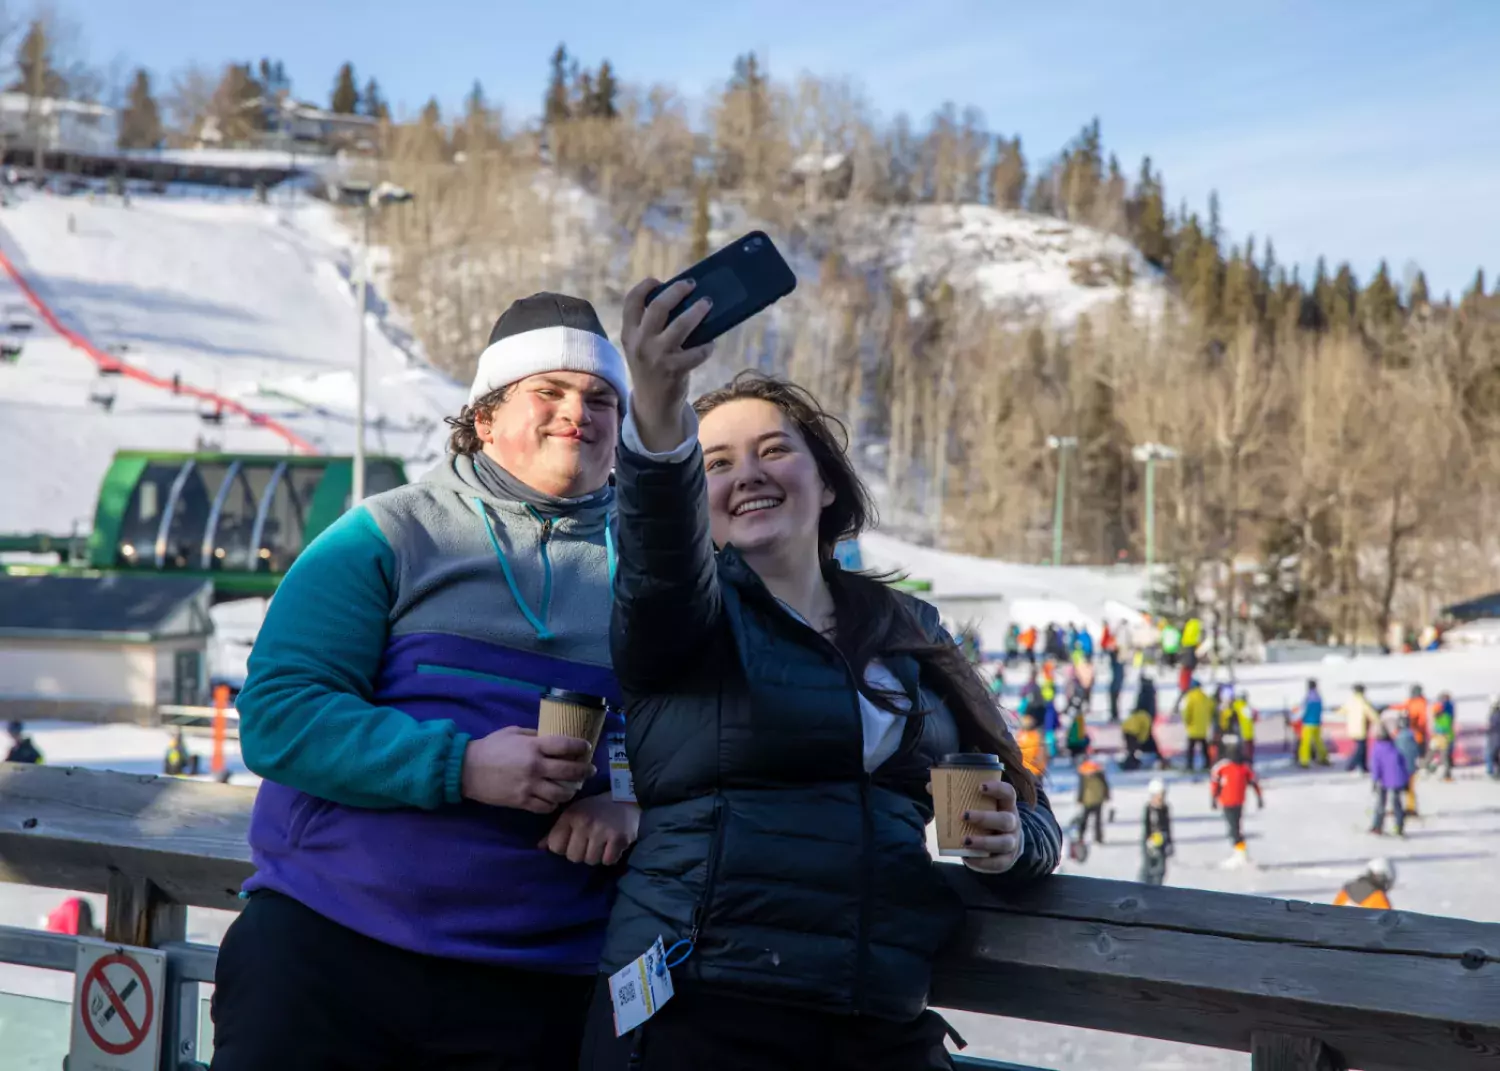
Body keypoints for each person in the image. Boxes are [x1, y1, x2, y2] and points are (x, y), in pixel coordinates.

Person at [594, 279, 1062, 1071]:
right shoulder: (687, 617)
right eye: (714, 463)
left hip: (876, 1013)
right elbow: (658, 555)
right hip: (707, 1004)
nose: (747, 472)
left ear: (829, 482)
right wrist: (659, 401)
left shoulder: (908, 627)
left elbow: (1024, 800)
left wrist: (1016, 841)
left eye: (774, 449)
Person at [213, 294, 640, 1071]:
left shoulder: (655, 576)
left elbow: (714, 738)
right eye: (549, 391)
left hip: (539, 981)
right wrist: (463, 765)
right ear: (483, 417)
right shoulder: (382, 534)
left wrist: (638, 802)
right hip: (329, 947)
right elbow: (279, 715)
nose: (578, 412)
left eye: (601, 398)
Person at [1210, 742, 1262, 849]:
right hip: (1226, 801)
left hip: (1238, 801)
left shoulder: (1244, 768)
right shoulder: (1222, 767)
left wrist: (1259, 797)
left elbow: (1253, 782)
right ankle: (1239, 849)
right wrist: (1214, 798)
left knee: (1235, 827)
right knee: (1233, 827)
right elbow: (1215, 783)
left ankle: (1239, 851)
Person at [1369, 723, 1410, 837]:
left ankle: (1378, 826)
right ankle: (1399, 826)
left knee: (1381, 803)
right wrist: (1405, 779)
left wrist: (1375, 780)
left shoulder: (1377, 748)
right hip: (1398, 778)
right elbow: (1403, 763)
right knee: (1397, 803)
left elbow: (1376, 767)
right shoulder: (1394, 746)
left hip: (1385, 779)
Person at [1138, 779, 1173, 886]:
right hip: (1150, 842)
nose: (1161, 798)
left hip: (1162, 841)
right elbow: (1146, 826)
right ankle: (1144, 887)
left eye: (1163, 795)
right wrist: (1149, 841)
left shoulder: (1165, 808)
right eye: (1159, 795)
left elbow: (1167, 826)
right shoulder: (1149, 809)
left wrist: (1170, 842)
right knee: (1148, 867)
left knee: (1161, 868)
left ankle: (1158, 889)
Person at [1340, 684, 1377, 774]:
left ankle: (1363, 766)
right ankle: (1351, 765)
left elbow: (1342, 711)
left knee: (1362, 747)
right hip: (1361, 727)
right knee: (1360, 748)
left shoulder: (1350, 701)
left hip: (1352, 727)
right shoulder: (1363, 701)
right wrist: (1378, 720)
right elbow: (1370, 713)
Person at [1181, 680, 1214, 774]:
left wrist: (1187, 721)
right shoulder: (1206, 697)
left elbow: (1187, 711)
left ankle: (1189, 765)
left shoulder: (1190, 697)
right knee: (1204, 747)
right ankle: (1207, 764)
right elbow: (1211, 709)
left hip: (1193, 727)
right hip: (1203, 727)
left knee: (1191, 748)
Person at [1393, 713, 1422, 818]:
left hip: (1400, 767)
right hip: (1411, 767)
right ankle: (1411, 807)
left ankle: (1396, 807)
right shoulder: (1412, 736)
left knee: (1397, 788)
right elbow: (1416, 751)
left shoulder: (1397, 737)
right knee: (1410, 789)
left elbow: (1395, 752)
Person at [1075, 755, 1110, 844]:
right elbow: (1105, 785)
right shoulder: (1099, 771)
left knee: (1084, 819)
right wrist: (1106, 795)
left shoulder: (1083, 773)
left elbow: (1081, 788)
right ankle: (1098, 838)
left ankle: (1080, 836)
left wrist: (1079, 798)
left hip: (1088, 800)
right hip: (1098, 799)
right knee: (1097, 820)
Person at [1296, 679, 1329, 768]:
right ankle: (1323, 757)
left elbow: (1303, 709)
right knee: (1318, 741)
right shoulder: (1319, 697)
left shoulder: (1308, 697)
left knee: (1306, 743)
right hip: (1317, 722)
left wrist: (1296, 718)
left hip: (1308, 723)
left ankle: (1304, 761)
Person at [1430, 691, 1456, 780]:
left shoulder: (1445, 716)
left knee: (1445, 757)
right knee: (1440, 756)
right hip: (1442, 738)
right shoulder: (1440, 716)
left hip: (1445, 739)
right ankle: (1438, 770)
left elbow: (1445, 728)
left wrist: (1439, 734)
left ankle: (1446, 774)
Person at [1016, 713, 1048, 779]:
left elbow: (1041, 754)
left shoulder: (1035, 736)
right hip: (1027, 770)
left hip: (1033, 771)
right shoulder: (1021, 735)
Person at [1487, 695, 1500, 780]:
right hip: (1495, 737)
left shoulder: (1494, 715)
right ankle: (1496, 772)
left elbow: (1492, 726)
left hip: (1495, 737)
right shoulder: (1494, 715)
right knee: (1494, 755)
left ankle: (1495, 772)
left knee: (1493, 755)